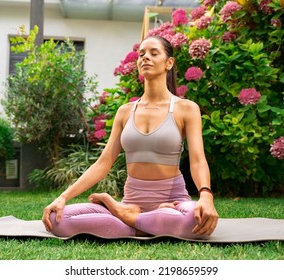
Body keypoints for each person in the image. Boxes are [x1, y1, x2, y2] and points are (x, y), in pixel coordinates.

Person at [42, 35, 218, 239]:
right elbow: (103, 163)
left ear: (169, 62)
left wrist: (206, 195)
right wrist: (63, 197)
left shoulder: (186, 109)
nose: (145, 58)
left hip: (173, 203)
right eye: (141, 54)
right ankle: (144, 221)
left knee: (195, 220)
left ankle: (124, 217)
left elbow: (198, 160)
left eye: (154, 53)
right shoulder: (125, 112)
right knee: (56, 219)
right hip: (131, 202)